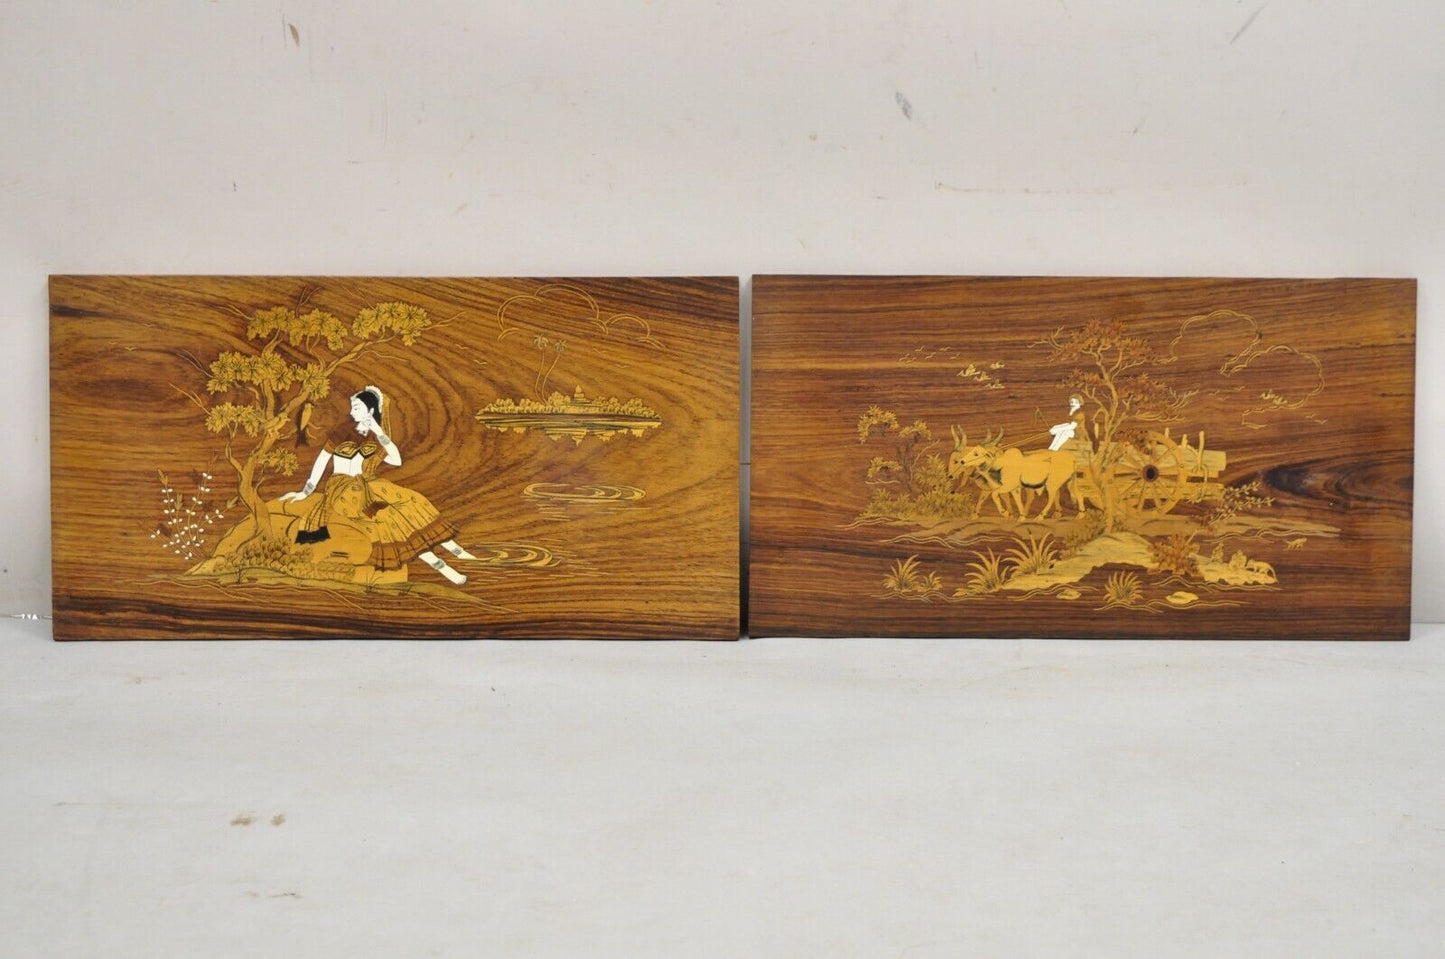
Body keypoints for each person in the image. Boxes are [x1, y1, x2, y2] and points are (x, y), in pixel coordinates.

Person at [279, 386, 475, 585]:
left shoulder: (374, 436)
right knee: (387, 516)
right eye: (352, 407)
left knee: (412, 502)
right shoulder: (342, 431)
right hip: (342, 488)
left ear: (370, 411)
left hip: (368, 484)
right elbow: (322, 460)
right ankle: (442, 567)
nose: (352, 411)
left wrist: (379, 431)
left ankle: (457, 551)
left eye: (357, 407)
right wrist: (306, 491)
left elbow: (396, 460)